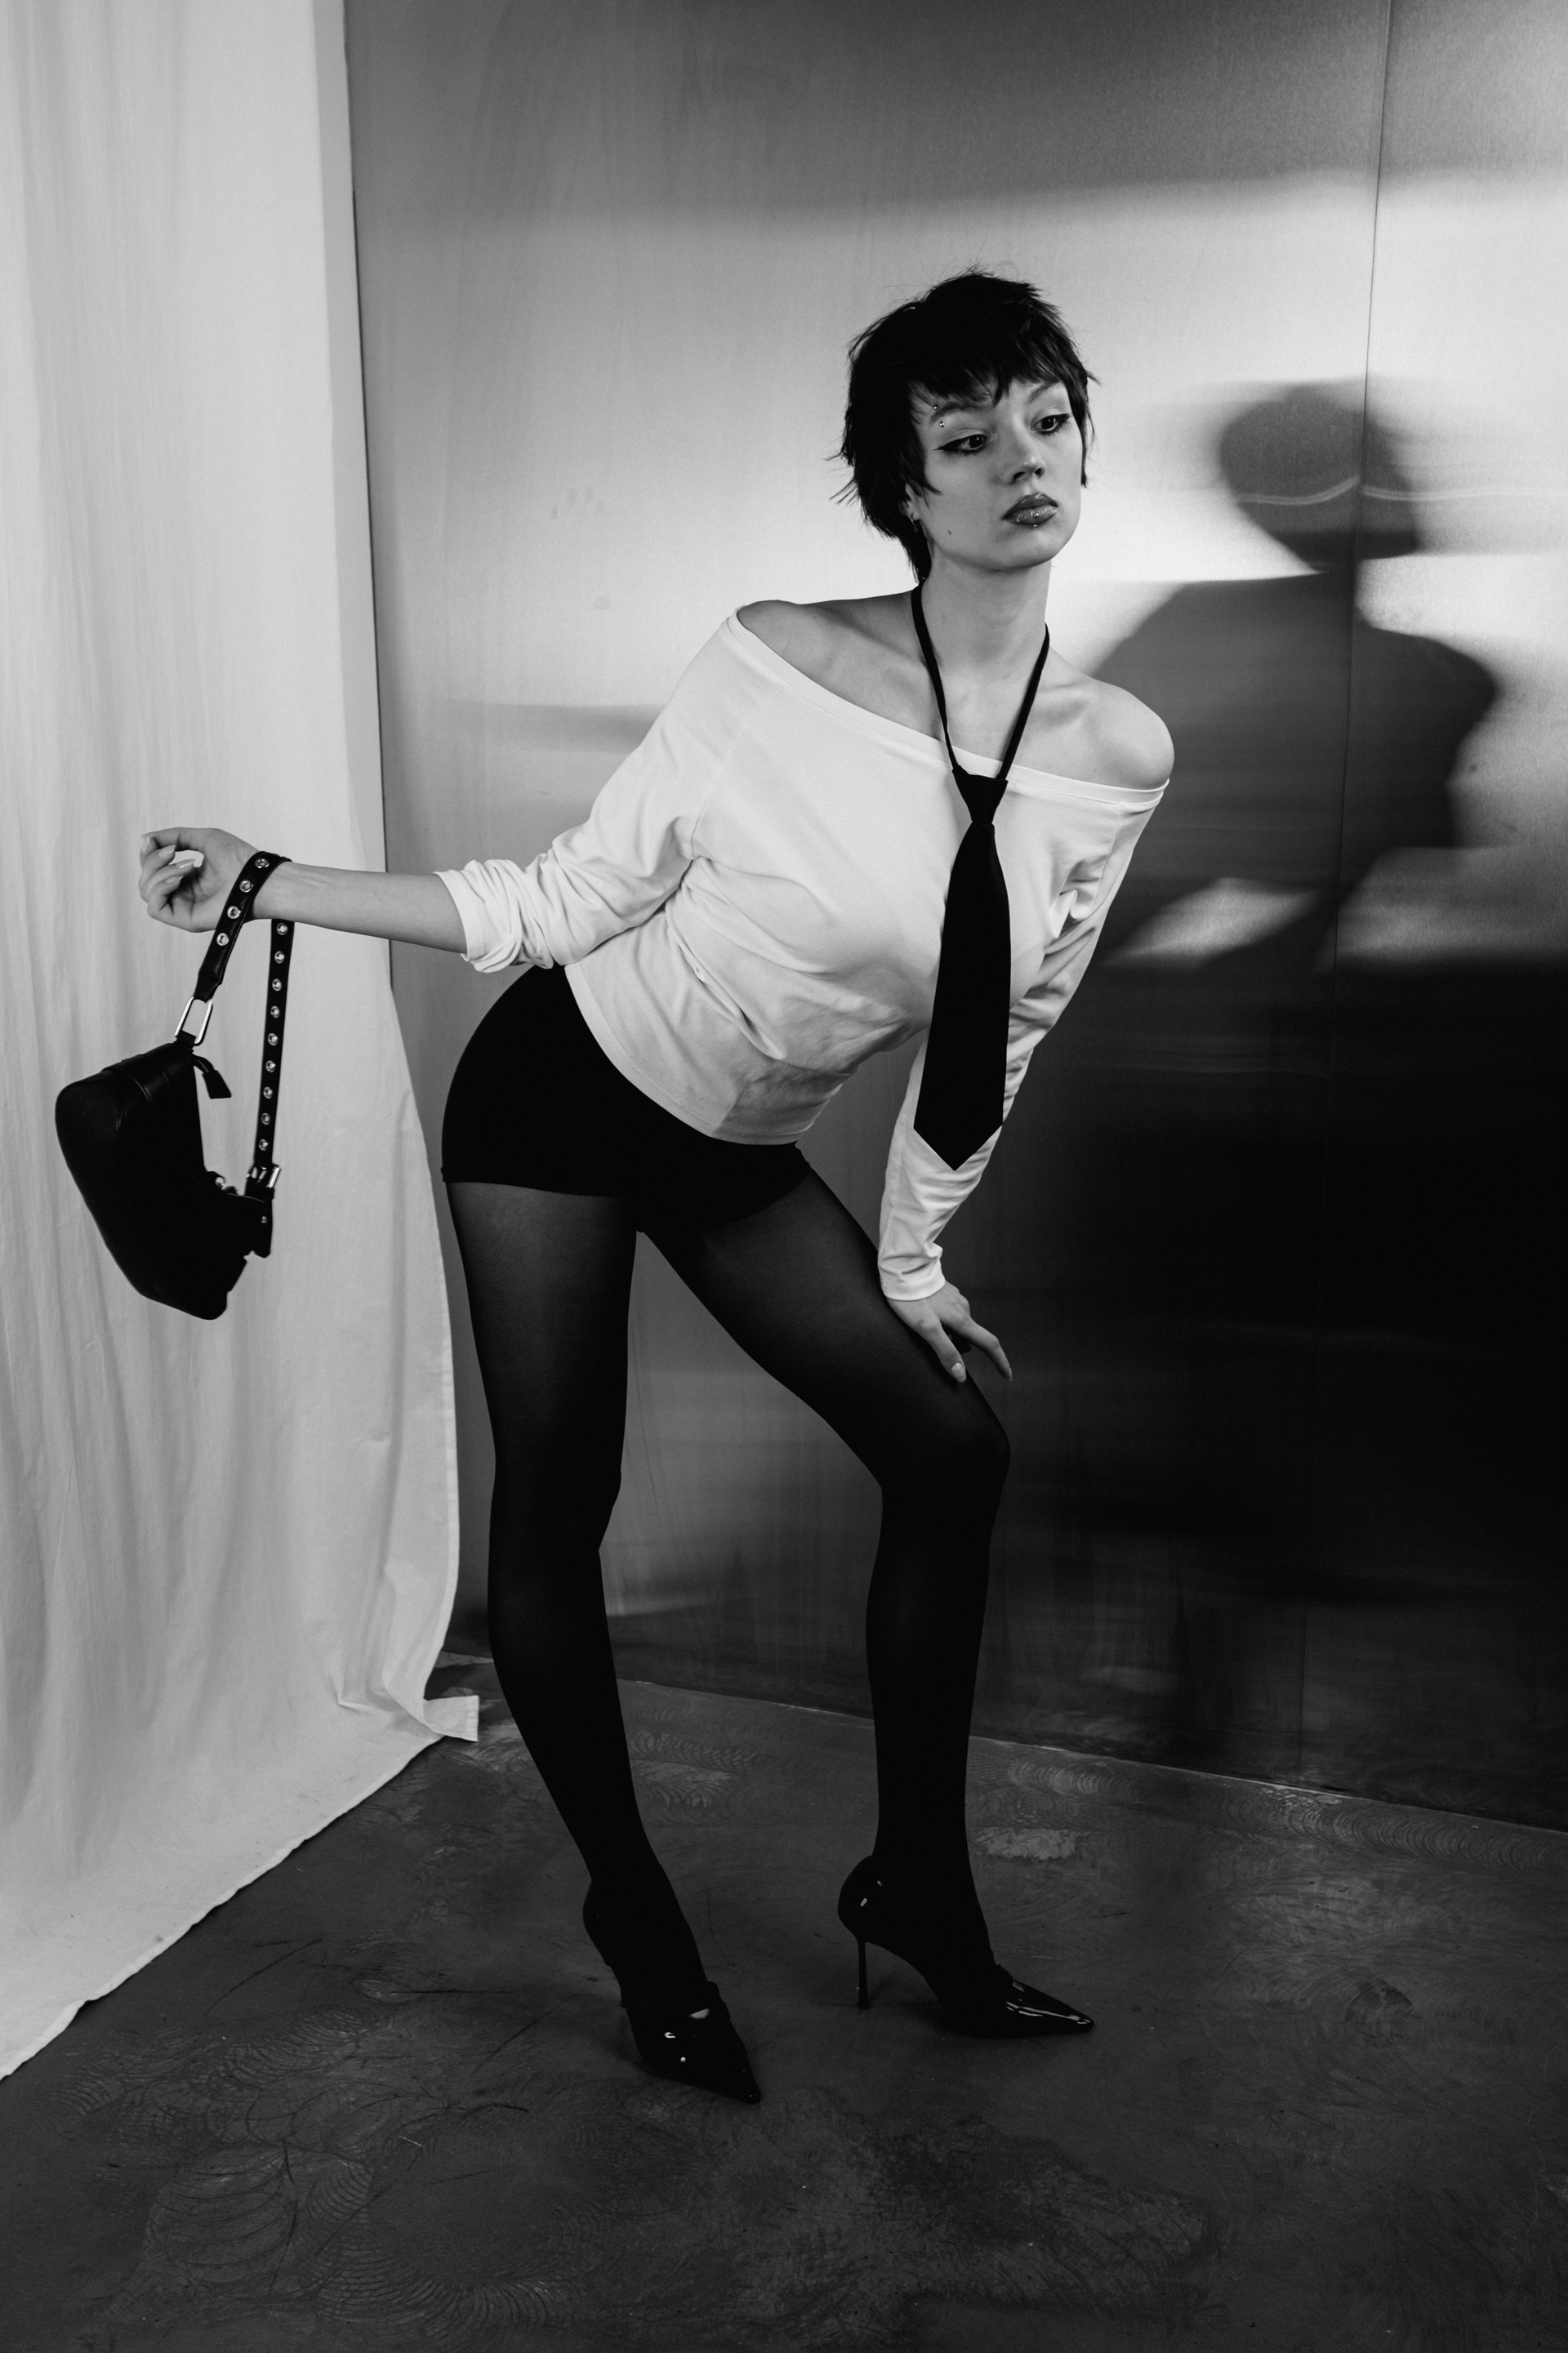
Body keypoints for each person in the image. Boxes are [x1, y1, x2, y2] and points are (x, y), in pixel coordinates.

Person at [139, 271, 1172, 2106]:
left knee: (950, 1451)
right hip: (560, 1094)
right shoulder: (780, 663)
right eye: (966, 436)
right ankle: (636, 1916)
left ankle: (919, 1884)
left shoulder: (1114, 755)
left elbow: (1005, 1029)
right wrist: (267, 880)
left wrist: (914, 1260)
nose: (1023, 458)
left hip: (729, 1145)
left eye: (1048, 416)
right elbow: (561, 902)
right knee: (564, 1499)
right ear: (904, 489)